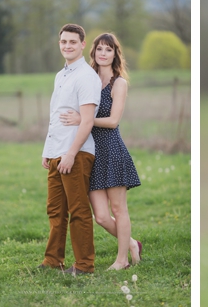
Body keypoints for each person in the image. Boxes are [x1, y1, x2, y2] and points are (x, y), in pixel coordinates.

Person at [61, 32, 143, 270]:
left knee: (118, 209)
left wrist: (83, 119)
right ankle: (132, 245)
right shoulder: (89, 80)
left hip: (112, 150)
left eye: (109, 49)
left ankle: (122, 260)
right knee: (102, 217)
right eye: (100, 49)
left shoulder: (119, 83)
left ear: (116, 54)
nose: (103, 53)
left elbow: (113, 121)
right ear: (93, 53)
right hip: (91, 151)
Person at [38, 23, 100, 275]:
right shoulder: (60, 75)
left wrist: (71, 153)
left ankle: (85, 265)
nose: (67, 46)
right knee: (55, 210)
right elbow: (56, 115)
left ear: (83, 45)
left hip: (76, 153)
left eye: (72, 42)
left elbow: (86, 121)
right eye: (63, 41)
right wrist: (48, 150)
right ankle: (53, 260)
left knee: (78, 210)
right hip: (56, 151)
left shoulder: (86, 77)